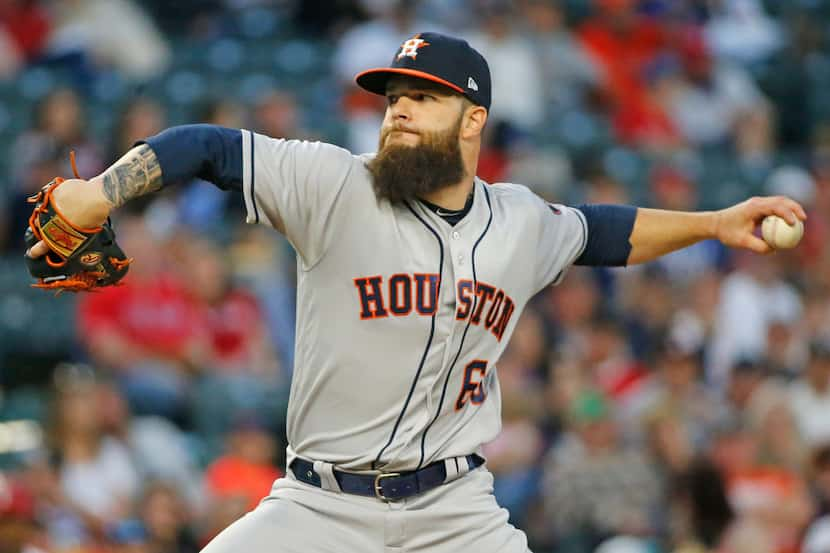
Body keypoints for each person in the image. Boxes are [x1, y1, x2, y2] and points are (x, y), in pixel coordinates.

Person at [27, 32, 806, 553]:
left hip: (456, 513)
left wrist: (713, 221)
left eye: (422, 97)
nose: (397, 108)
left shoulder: (519, 219)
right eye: (391, 95)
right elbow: (205, 147)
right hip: (320, 507)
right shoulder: (333, 183)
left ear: (473, 120)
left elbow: (607, 232)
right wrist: (99, 192)